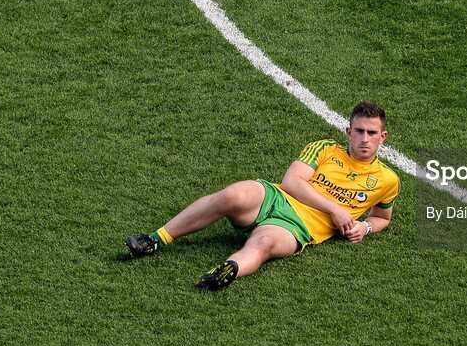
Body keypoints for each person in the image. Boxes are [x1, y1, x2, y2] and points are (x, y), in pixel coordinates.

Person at [125, 101, 400, 290]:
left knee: (264, 243)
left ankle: (227, 270)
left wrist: (364, 227)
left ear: (382, 136)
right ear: (348, 132)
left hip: (298, 227)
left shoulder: (387, 180)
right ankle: (155, 239)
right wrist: (334, 208)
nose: (364, 138)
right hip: (275, 197)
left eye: (371, 133)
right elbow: (291, 181)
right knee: (231, 195)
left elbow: (382, 218)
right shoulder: (325, 148)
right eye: (359, 131)